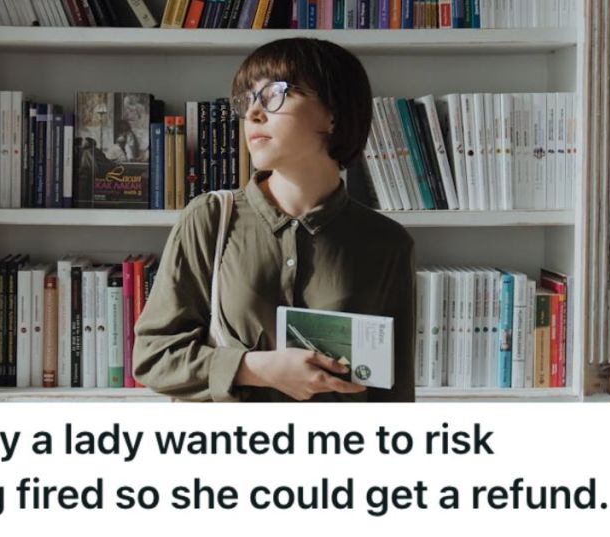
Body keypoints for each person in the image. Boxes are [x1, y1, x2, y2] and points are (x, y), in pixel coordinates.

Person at [132, 37, 416, 402]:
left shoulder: (386, 243)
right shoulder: (210, 219)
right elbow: (154, 357)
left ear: (333, 112)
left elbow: (393, 396)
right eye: (248, 99)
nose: (253, 113)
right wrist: (257, 368)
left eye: (275, 94)